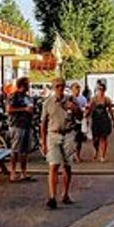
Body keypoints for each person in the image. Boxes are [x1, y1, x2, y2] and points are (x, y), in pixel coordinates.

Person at [39, 78, 76, 209]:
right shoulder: (48, 102)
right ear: (53, 88)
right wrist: (43, 141)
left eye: (62, 86)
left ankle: (65, 194)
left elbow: (81, 116)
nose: (60, 88)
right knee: (53, 165)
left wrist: (74, 108)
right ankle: (52, 196)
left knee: (67, 166)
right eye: (57, 86)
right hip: (53, 134)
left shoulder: (70, 100)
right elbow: (43, 123)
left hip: (68, 133)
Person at [7, 76, 35, 181]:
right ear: (23, 85)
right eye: (27, 84)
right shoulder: (14, 96)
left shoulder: (27, 97)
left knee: (24, 151)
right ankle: (13, 172)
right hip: (17, 125)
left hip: (27, 125)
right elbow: (9, 109)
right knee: (15, 149)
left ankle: (24, 172)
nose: (29, 85)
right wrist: (24, 109)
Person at [86, 81, 114, 163]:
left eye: (102, 89)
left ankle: (102, 156)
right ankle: (96, 150)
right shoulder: (93, 99)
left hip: (104, 120)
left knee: (104, 138)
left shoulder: (107, 99)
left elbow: (110, 110)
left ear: (104, 90)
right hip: (95, 120)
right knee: (95, 139)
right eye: (98, 89)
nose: (100, 91)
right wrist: (86, 118)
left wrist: (113, 120)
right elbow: (89, 109)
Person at [69, 82, 89, 162]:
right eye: (75, 88)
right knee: (71, 139)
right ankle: (72, 155)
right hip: (71, 121)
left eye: (78, 88)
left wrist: (86, 116)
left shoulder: (83, 98)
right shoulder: (69, 98)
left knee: (79, 140)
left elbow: (86, 108)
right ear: (72, 89)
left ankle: (77, 155)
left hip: (80, 120)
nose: (77, 90)